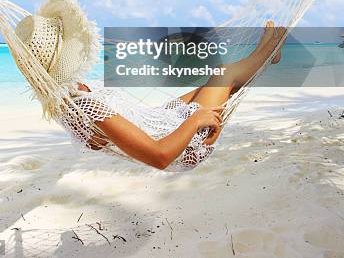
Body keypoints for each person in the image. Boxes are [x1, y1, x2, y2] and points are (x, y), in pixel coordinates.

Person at [60, 22, 285, 171]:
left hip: (162, 118)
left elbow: (98, 141)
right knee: (225, 76)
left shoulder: (77, 91)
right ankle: (268, 52)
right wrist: (195, 120)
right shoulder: (84, 105)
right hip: (180, 143)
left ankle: (266, 54)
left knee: (223, 84)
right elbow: (160, 156)